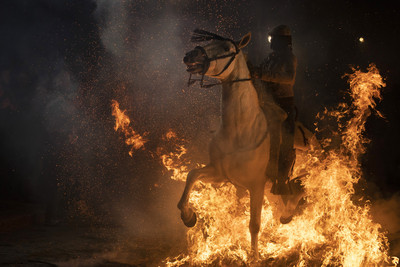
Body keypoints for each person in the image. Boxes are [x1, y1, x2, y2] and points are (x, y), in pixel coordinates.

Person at [249, 25, 297, 195]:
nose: (271, 42)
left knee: (285, 139)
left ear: (282, 41)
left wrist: (262, 75)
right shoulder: (271, 58)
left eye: (274, 39)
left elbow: (289, 78)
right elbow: (259, 71)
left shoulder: (289, 58)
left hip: (284, 103)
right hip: (267, 101)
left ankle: (282, 179)